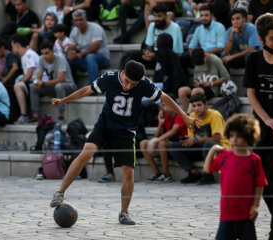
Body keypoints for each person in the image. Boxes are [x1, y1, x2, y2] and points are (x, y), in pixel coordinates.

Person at [49, 60, 198, 225]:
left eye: (133, 84)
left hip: (126, 132)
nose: (128, 86)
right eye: (127, 81)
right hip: (105, 126)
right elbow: (86, 90)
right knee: (86, 153)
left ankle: (124, 212)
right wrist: (63, 100)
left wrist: (184, 116)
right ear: (122, 73)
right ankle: (60, 192)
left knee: (128, 171)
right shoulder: (109, 78)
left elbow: (165, 97)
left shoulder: (144, 84)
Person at [243, 13, 273, 239]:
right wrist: (268, 121)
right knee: (264, 183)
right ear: (261, 39)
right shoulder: (253, 60)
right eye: (272, 39)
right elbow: (251, 94)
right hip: (262, 129)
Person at [204, 113, 267, 240]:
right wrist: (213, 150)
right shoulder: (224, 156)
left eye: (239, 136)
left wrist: (256, 205)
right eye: (231, 136)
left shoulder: (254, 160)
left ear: (249, 137)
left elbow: (260, 184)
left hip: (246, 214)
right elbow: (207, 169)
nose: (234, 140)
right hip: (227, 213)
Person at [168, 93, 230, 184]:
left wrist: (196, 140)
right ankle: (194, 173)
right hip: (201, 147)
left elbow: (217, 139)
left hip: (219, 148)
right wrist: (186, 141)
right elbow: (192, 138)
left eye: (199, 105)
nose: (196, 108)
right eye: (194, 106)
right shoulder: (192, 116)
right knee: (173, 147)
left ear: (205, 105)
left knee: (208, 145)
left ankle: (208, 175)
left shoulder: (215, 115)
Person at [119, 3, 183, 70]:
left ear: (166, 16)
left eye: (159, 16)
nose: (156, 19)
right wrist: (147, 53)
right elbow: (149, 46)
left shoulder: (175, 28)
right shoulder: (153, 25)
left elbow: (175, 53)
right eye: (155, 16)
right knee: (128, 55)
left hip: (167, 59)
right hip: (154, 58)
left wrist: (156, 55)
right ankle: (122, 76)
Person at [141, 101, 187, 182]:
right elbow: (155, 137)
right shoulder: (165, 116)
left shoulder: (181, 114)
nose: (163, 109)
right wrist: (160, 124)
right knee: (143, 143)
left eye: (165, 106)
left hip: (183, 144)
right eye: (162, 106)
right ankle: (157, 173)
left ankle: (166, 174)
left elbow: (173, 131)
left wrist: (155, 142)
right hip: (170, 145)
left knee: (161, 144)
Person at [30, 41, 77, 122]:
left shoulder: (60, 59)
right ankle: (35, 115)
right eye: (42, 53)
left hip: (69, 87)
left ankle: (61, 115)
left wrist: (43, 83)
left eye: (47, 53)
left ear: (53, 51)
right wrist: (36, 81)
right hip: (55, 88)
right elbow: (39, 75)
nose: (44, 56)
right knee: (32, 87)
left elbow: (61, 79)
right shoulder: (41, 59)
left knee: (59, 86)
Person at [178, 47, 230, 113]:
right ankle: (186, 115)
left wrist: (211, 83)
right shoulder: (197, 60)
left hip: (212, 88)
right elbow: (195, 79)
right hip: (200, 87)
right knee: (182, 91)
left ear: (205, 56)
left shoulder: (215, 60)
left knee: (195, 91)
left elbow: (226, 77)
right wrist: (197, 83)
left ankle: (189, 118)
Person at [67, 9, 110, 85]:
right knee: (65, 58)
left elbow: (94, 49)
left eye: (81, 19)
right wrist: (71, 53)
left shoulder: (96, 28)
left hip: (102, 59)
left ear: (86, 19)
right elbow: (71, 47)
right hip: (85, 60)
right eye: (76, 20)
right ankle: (71, 86)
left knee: (90, 57)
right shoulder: (74, 31)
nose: (79, 22)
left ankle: (93, 87)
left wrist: (79, 55)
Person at [10, 34, 39, 123]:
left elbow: (30, 73)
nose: (12, 49)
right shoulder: (23, 56)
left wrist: (21, 82)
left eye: (12, 46)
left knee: (18, 86)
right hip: (31, 82)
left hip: (37, 82)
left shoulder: (29, 54)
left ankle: (24, 115)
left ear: (17, 45)